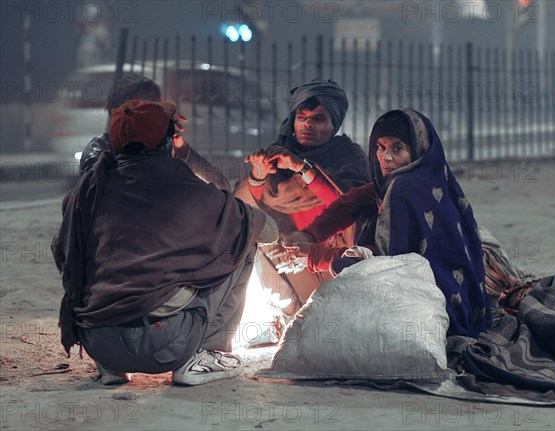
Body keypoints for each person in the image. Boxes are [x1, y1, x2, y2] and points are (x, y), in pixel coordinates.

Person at [52, 100, 278, 386]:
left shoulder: (87, 189)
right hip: (165, 344)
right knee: (243, 238)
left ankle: (112, 369)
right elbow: (269, 231)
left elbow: (63, 254)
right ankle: (207, 353)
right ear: (167, 144)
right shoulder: (181, 184)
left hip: (99, 342)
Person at [283, 109, 490, 338]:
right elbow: (352, 201)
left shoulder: (406, 186)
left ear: (418, 149)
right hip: (468, 303)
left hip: (437, 303)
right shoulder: (428, 175)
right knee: (367, 211)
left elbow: (387, 261)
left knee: (346, 276)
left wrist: (315, 256)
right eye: (381, 147)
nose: (385, 157)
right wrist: (310, 235)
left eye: (397, 148)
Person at [234, 79, 370, 316]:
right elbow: (247, 207)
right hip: (292, 259)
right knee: (251, 237)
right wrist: (259, 174)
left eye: (318, 119)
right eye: (302, 117)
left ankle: (310, 317)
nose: (308, 124)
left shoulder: (349, 156)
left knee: (329, 315)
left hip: (335, 262)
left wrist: (303, 168)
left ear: (334, 125)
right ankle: (288, 314)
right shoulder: (277, 154)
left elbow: (346, 206)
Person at [79, 74, 231, 191]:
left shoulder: (164, 147)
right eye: (152, 109)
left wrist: (183, 150)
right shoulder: (100, 150)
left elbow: (221, 186)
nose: (159, 115)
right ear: (118, 114)